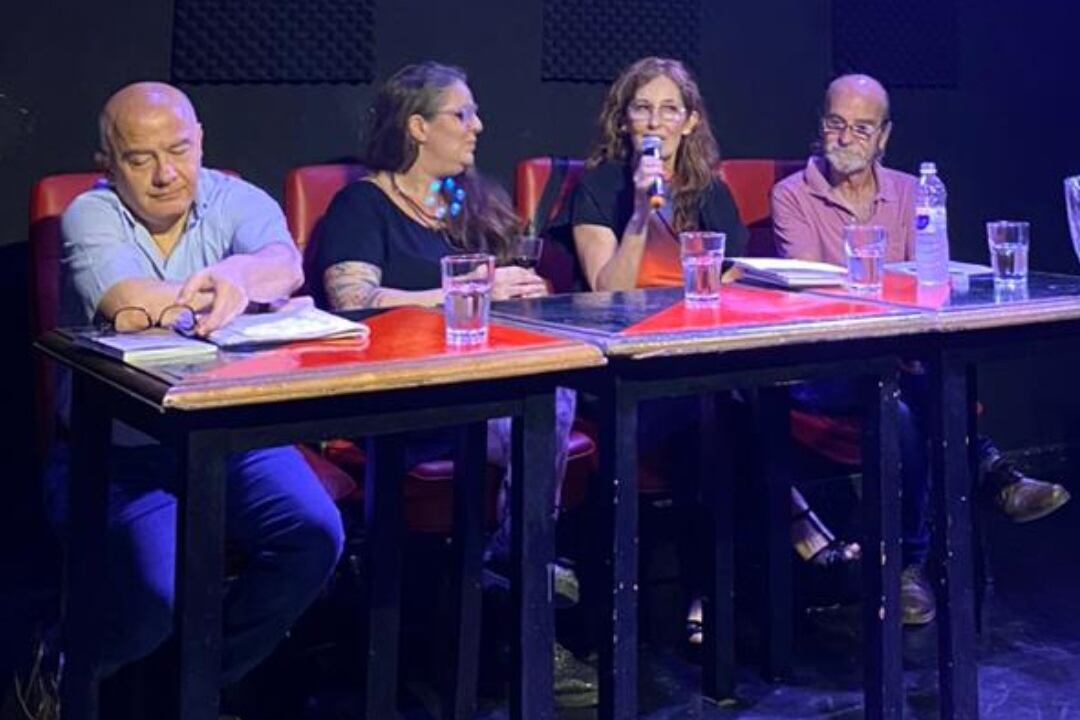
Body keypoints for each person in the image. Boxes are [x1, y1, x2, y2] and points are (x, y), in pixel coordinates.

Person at [44, 82, 344, 706]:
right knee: (158, 600)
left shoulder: (234, 197)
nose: (165, 175)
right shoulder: (89, 213)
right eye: (139, 159)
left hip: (229, 440)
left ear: (201, 140)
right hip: (121, 453)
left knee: (314, 535)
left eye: (179, 150)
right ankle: (60, 672)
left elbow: (282, 262)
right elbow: (129, 302)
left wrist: (240, 275)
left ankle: (191, 689)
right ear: (108, 163)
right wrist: (231, 299)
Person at [310, 61, 592, 706]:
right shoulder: (364, 203)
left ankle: (513, 571)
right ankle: (524, 579)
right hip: (401, 397)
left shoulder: (470, 198)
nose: (477, 126)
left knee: (549, 394)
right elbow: (350, 299)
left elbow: (507, 285)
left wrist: (522, 291)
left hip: (481, 383)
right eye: (460, 114)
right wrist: (463, 293)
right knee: (529, 412)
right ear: (417, 126)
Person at [569, 57, 859, 647]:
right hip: (629, 379)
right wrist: (638, 214)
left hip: (701, 364)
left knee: (723, 409)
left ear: (690, 120)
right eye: (641, 108)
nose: (655, 120)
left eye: (669, 108)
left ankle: (712, 591)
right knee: (720, 410)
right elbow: (606, 289)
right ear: (623, 121)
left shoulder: (709, 190)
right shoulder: (598, 186)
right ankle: (789, 527)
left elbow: (730, 281)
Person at [771, 73, 1071, 624]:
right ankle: (987, 472)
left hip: (901, 363)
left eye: (862, 127)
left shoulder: (914, 193)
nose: (847, 137)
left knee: (907, 407)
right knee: (911, 396)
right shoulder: (792, 195)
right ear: (820, 126)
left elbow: (929, 282)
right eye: (836, 123)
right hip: (825, 369)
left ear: (884, 135)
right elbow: (818, 294)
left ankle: (908, 569)